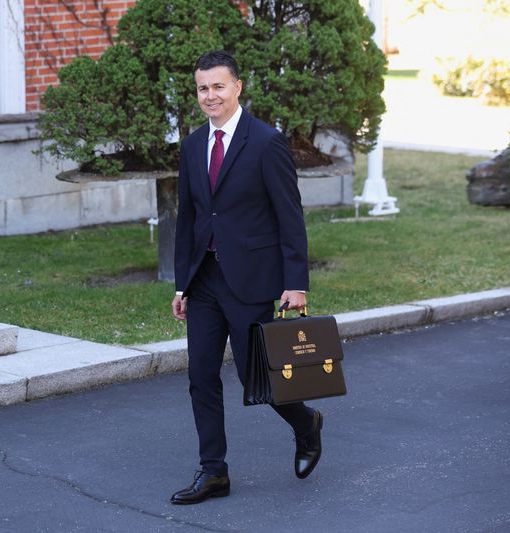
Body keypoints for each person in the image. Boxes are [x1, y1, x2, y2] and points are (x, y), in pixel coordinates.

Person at [170, 50, 323, 505]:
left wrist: (295, 284)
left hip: (253, 278)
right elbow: (190, 219)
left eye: (218, 86)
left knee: (262, 378)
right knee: (201, 376)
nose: (210, 95)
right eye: (202, 88)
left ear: (238, 87)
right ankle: (214, 472)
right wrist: (182, 283)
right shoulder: (194, 144)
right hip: (204, 282)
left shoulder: (265, 141)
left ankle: (306, 423)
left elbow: (289, 217)